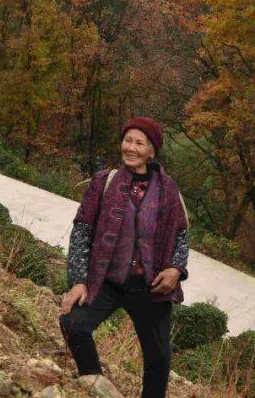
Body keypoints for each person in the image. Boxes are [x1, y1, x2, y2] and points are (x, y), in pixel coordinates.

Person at [59, 117, 190, 398]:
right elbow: (82, 230)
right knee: (73, 323)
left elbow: (181, 234)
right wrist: (79, 281)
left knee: (158, 359)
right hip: (106, 280)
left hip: (150, 287)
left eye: (139, 143)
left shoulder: (168, 190)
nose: (131, 148)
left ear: (152, 151)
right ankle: (94, 385)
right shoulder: (103, 183)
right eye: (127, 140)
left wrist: (176, 269)